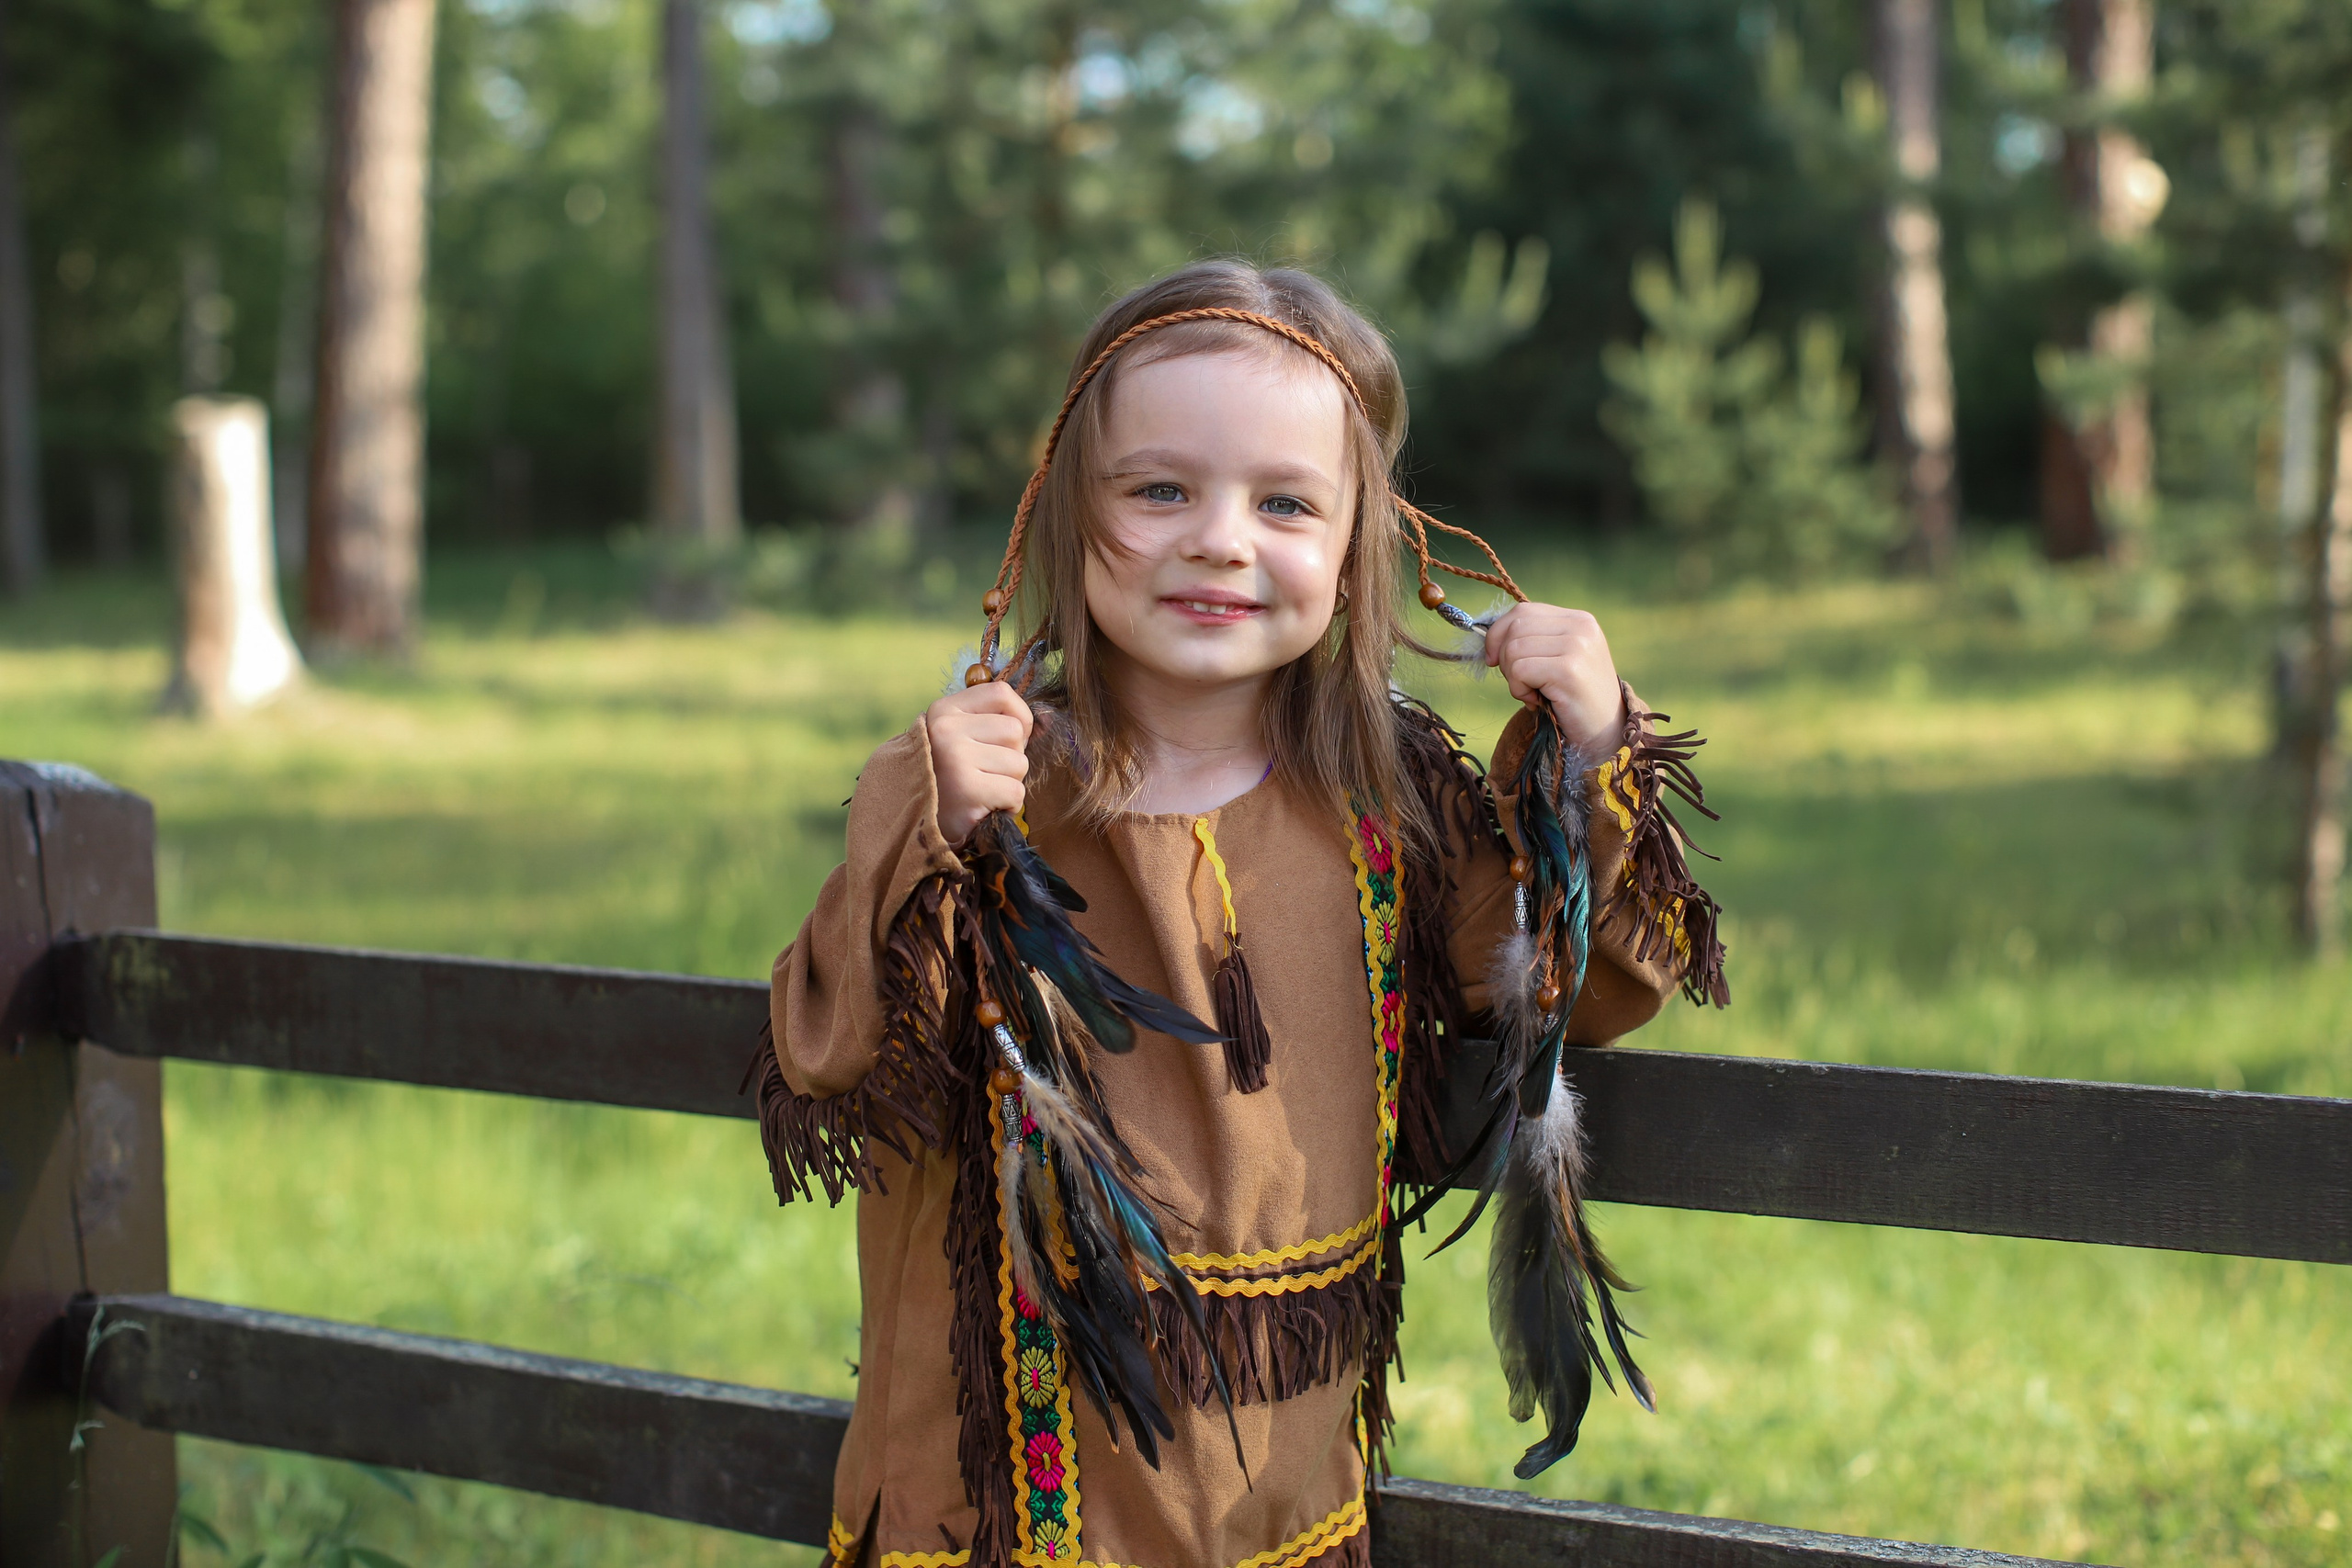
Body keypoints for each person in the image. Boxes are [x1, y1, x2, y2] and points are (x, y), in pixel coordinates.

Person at [755, 258, 1726, 1568]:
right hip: (1004, 1506)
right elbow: (833, 1052)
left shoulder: (1393, 802)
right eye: (1159, 490)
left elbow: (1581, 992)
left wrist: (1595, 753)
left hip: (1275, 1493)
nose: (1221, 539)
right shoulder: (985, 789)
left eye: (1284, 502)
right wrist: (920, 831)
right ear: (1064, 512)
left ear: (1356, 543)